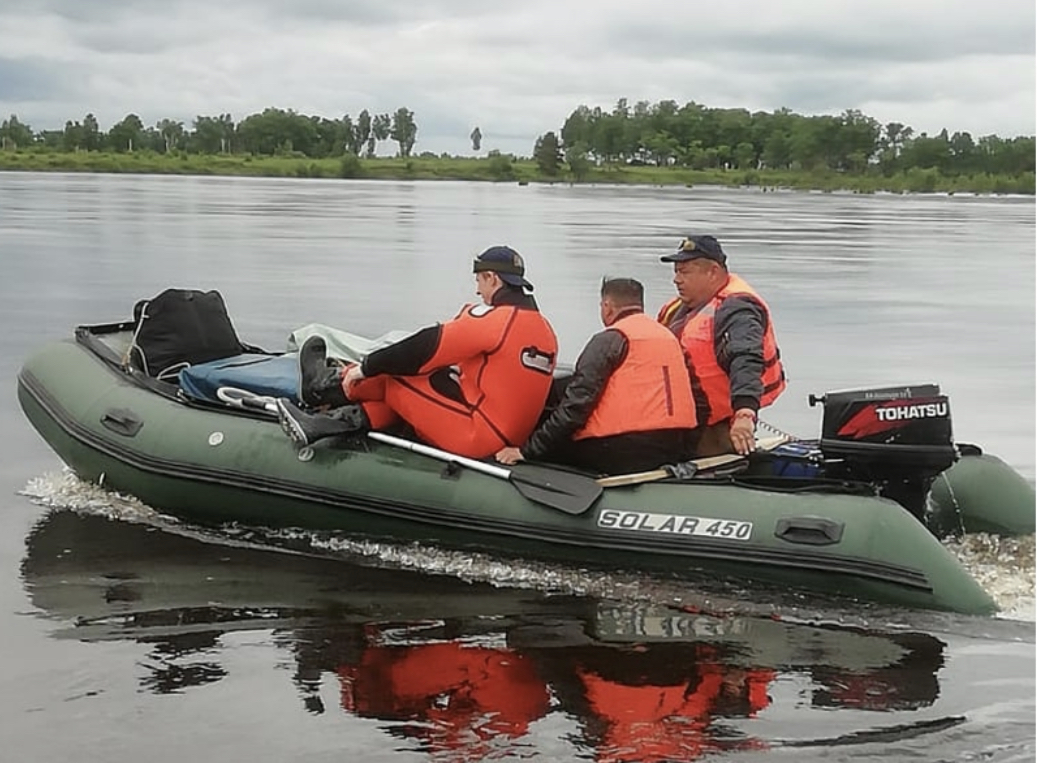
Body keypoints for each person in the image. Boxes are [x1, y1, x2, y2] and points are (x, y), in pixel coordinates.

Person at [276, 245, 558, 459]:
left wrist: (364, 368)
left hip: (479, 435)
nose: (477, 291)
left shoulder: (498, 320)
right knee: (423, 383)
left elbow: (425, 347)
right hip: (507, 436)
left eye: (479, 282)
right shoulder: (544, 329)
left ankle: (324, 387)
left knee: (395, 376)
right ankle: (324, 424)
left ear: (493, 279)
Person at [496, 277, 698, 475]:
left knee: (550, 443)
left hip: (619, 450)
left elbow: (576, 407)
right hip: (674, 446)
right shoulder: (670, 338)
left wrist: (527, 450)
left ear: (608, 306)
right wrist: (689, 450)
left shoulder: (611, 338)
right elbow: (699, 400)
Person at [657, 235, 786, 457]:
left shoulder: (738, 309)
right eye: (676, 272)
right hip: (681, 419)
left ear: (713, 272)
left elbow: (745, 358)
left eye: (684, 272)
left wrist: (744, 413)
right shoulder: (679, 308)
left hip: (717, 427)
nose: (676, 280)